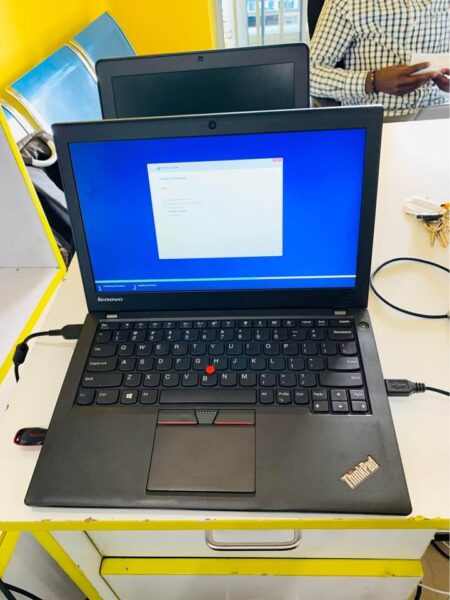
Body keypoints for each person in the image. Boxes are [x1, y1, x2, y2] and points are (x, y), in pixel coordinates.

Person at [310, 0, 449, 119]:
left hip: (440, 116)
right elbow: (309, 74)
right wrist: (372, 81)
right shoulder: (347, 3)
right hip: (377, 120)